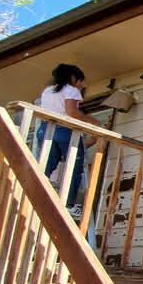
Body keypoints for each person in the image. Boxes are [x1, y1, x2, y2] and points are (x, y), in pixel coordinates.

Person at [36, 64, 98, 218]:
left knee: (47, 164)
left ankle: (35, 189)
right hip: (65, 131)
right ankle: (69, 204)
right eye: (80, 81)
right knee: (75, 168)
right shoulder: (71, 90)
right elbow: (72, 112)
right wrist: (92, 121)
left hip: (45, 130)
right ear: (73, 78)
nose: (82, 85)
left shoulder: (47, 90)